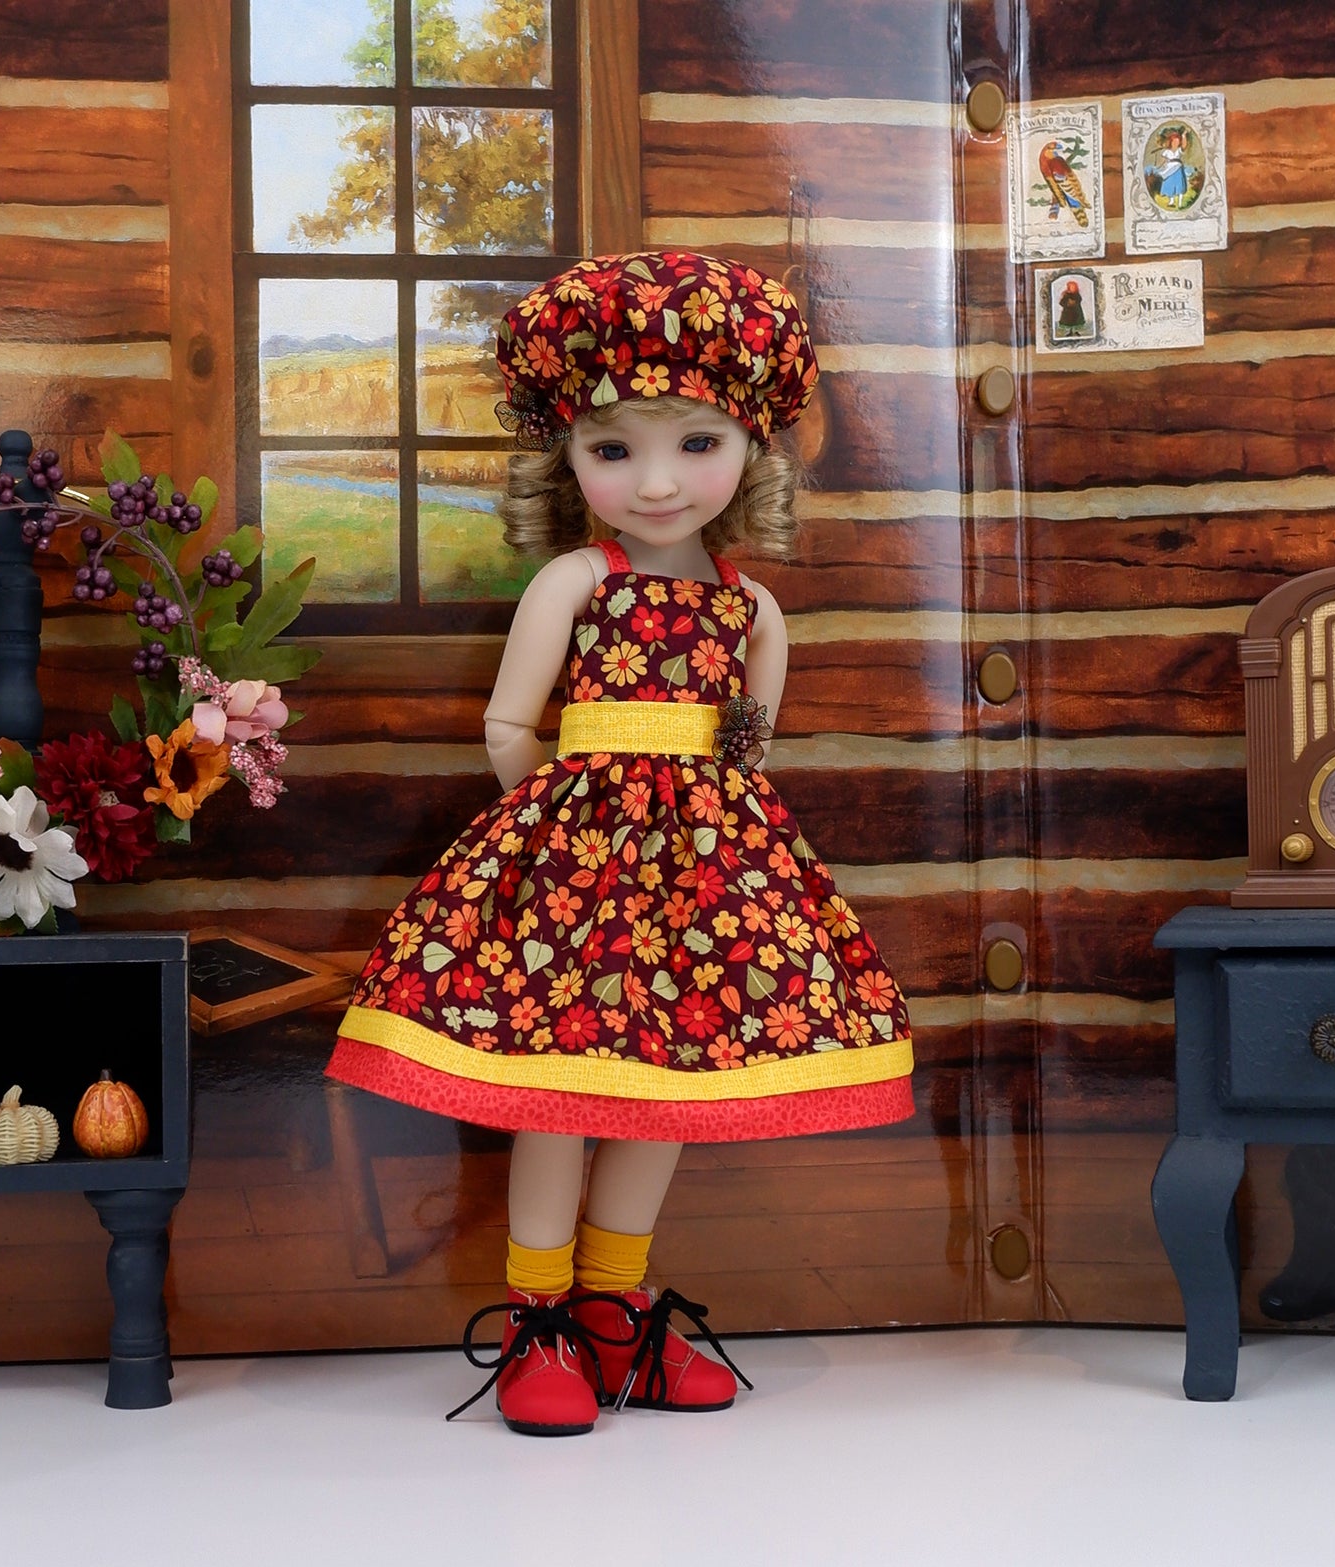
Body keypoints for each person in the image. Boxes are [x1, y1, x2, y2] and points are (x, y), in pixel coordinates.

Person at [326, 250, 914, 1436]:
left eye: (696, 444)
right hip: (574, 875)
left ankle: (613, 1306)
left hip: (703, 883)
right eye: (613, 450)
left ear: (752, 444)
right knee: (556, 1089)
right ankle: (537, 1316)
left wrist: (718, 848)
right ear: (569, 456)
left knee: (671, 1091)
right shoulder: (575, 584)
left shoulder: (752, 610)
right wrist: (552, 831)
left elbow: (746, 751)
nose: (655, 482)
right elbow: (510, 725)